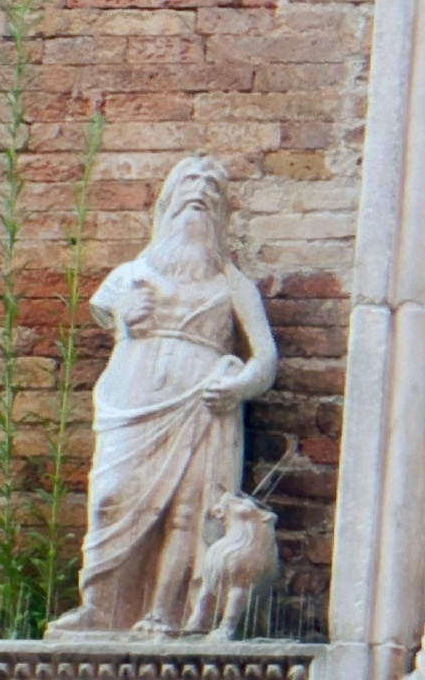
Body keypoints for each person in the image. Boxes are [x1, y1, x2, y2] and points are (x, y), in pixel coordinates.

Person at [53, 156, 277, 638]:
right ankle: (99, 606)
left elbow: (266, 358)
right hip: (132, 398)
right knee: (110, 496)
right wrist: (121, 316)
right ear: (168, 202)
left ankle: (163, 613)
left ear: (221, 216)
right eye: (189, 184)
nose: (200, 193)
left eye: (211, 190)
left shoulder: (232, 284)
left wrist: (238, 385)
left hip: (200, 403)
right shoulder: (129, 275)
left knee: (186, 513)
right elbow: (106, 310)